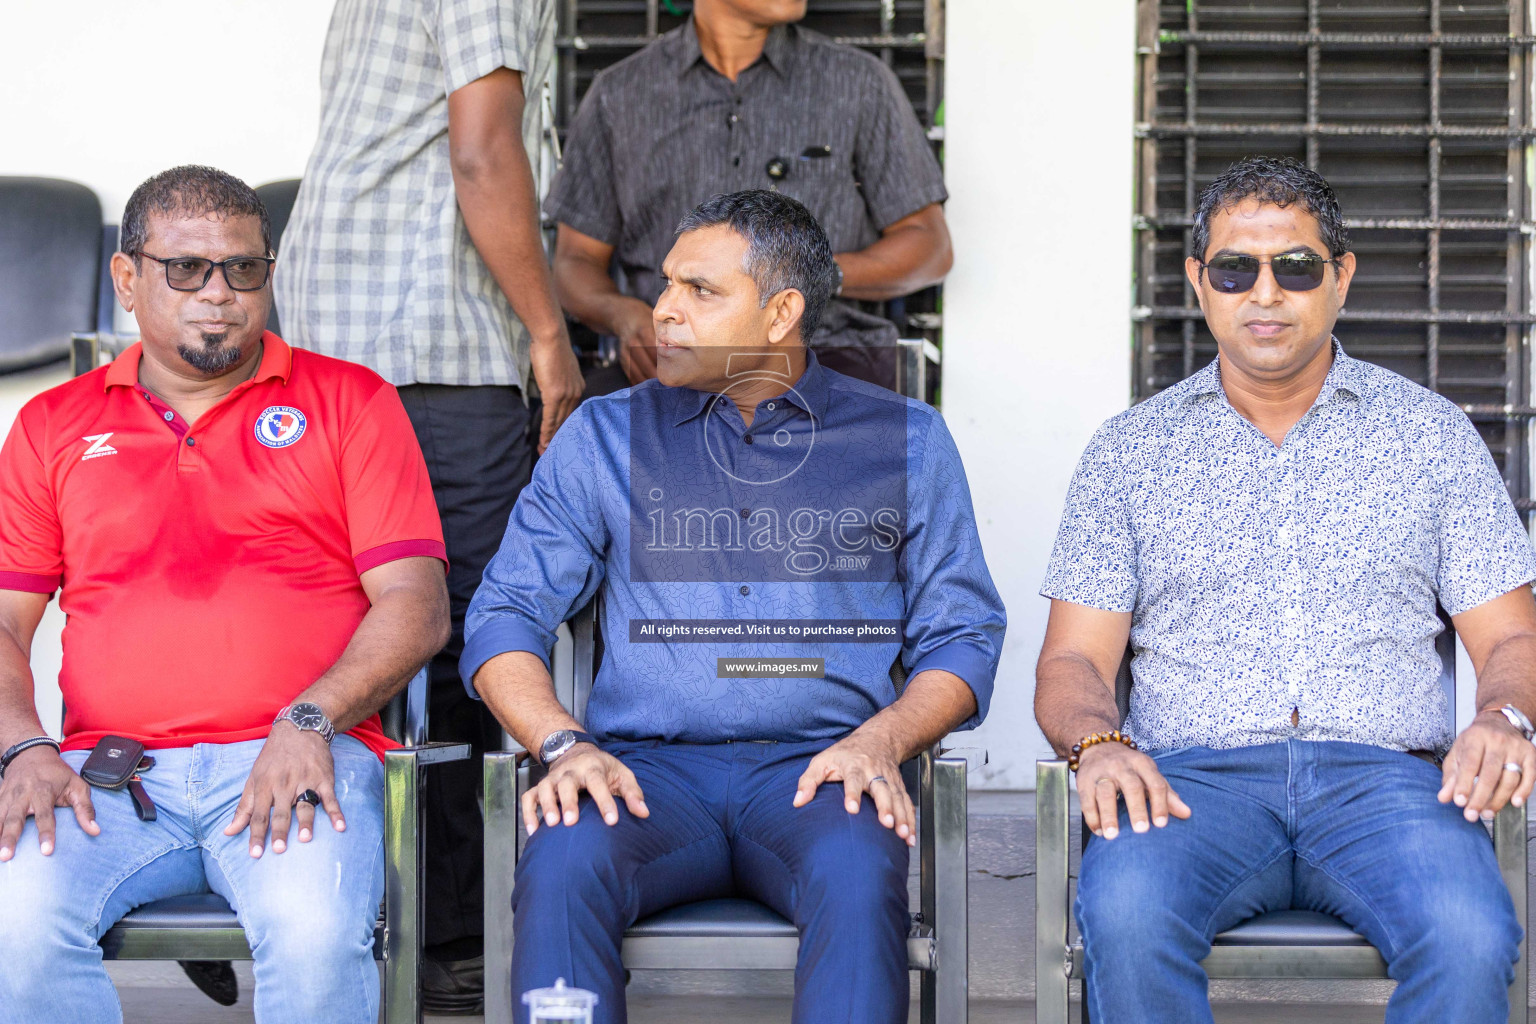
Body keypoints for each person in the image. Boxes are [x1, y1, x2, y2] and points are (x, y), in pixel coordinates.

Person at [462, 190, 1003, 1023]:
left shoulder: (905, 440)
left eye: (700, 291)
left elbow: (964, 636)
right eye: (666, 285)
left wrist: (881, 742)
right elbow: (504, 615)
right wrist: (562, 743)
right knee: (563, 857)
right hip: (641, 775)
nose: (663, 312)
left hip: (823, 773)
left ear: (782, 312)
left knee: (859, 873)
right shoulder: (606, 436)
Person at [1035, 156, 1536, 1024]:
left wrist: (1503, 719)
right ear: (1200, 282)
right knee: (1127, 913)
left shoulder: (1431, 436)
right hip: (1189, 786)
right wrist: (1099, 743)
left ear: (1340, 279)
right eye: (1236, 269)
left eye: (1295, 267)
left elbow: (1511, 643)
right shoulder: (1130, 453)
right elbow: (1074, 660)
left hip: (1388, 784)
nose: (1264, 293)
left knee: (1468, 934)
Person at [0, 166, 450, 1022]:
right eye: (188, 269)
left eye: (244, 269)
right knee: (13, 926)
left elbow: (416, 605)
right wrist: (24, 748)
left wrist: (308, 718)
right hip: (111, 775)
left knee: (316, 939)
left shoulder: (351, 401)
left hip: (302, 753)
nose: (220, 293)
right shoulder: (54, 425)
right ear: (127, 280)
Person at [275, 0, 584, 1009]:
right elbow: (483, 154)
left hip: (338, 333)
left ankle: (273, 886)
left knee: (331, 618)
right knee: (469, 640)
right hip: (430, 347)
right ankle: (448, 936)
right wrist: (547, 331)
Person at [547, 0, 952, 393]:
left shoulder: (859, 83)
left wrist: (815, 277)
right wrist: (623, 316)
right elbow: (575, 260)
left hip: (827, 365)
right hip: (670, 370)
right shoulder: (619, 96)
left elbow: (929, 245)